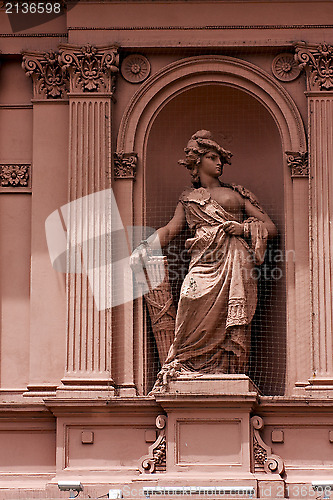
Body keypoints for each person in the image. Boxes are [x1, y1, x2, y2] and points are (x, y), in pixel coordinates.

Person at [131, 130, 277, 388]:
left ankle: (228, 370)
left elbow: (270, 227)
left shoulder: (238, 194)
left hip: (235, 259)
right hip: (202, 261)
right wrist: (145, 245)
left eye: (219, 157)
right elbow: (170, 230)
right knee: (189, 296)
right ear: (198, 162)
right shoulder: (188, 198)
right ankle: (187, 364)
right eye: (212, 157)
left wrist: (242, 229)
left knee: (234, 314)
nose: (219, 162)